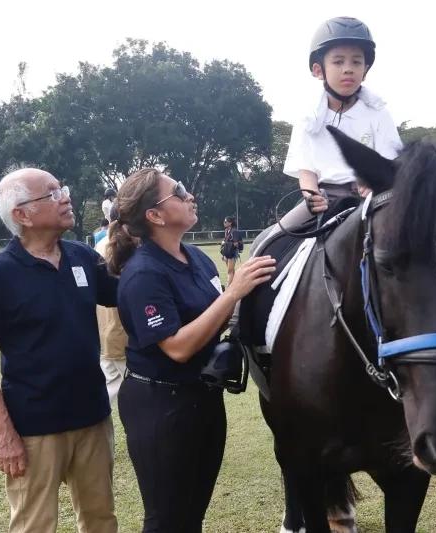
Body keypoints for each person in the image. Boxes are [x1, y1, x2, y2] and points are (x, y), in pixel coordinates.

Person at [107, 168, 275, 532]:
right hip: (160, 407)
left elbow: (216, 319)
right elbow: (178, 347)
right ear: (155, 215)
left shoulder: (196, 258)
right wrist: (233, 292)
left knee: (192, 514)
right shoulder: (144, 273)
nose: (189, 196)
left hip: (204, 400)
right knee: (166, 519)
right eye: (179, 191)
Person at [0, 168, 119, 533]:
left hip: (92, 419)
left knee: (101, 520)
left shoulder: (83, 257)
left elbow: (128, 293)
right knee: (34, 525)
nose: (65, 197)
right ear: (22, 214)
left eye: (61, 188)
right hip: (34, 428)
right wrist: (3, 434)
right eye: (51, 193)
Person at [273, 16, 403, 240]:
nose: (348, 69)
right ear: (318, 70)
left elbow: (390, 163)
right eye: (338, 61)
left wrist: (374, 183)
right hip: (325, 198)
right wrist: (311, 196)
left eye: (356, 62)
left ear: (366, 68)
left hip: (372, 197)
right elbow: (306, 171)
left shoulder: (378, 112)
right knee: (268, 241)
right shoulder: (308, 117)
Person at [95, 204, 128, 402]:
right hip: (121, 335)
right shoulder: (123, 247)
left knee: (108, 392)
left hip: (105, 334)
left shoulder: (100, 244)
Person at [220, 216, 244, 286]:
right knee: (231, 270)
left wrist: (225, 243)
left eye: (225, 222)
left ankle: (228, 287)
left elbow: (236, 243)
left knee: (229, 271)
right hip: (227, 252)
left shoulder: (234, 231)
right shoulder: (226, 231)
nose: (224, 223)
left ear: (230, 223)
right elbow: (226, 240)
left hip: (232, 253)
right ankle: (234, 285)